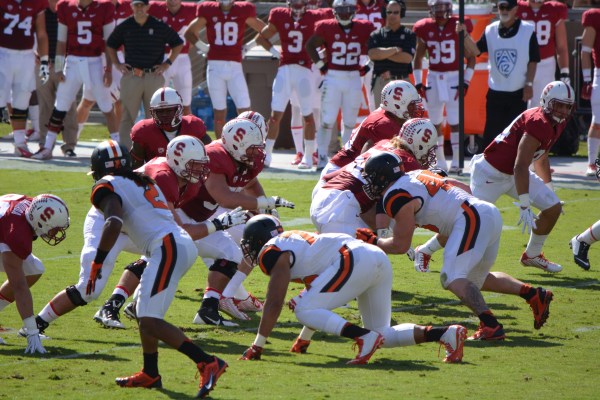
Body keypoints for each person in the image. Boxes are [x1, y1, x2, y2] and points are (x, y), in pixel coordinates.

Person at [79, 140, 228, 397]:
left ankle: (208, 362)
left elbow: (113, 222)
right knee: (144, 316)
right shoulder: (141, 181)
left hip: (167, 247)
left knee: (149, 320)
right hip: (173, 244)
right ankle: (150, 373)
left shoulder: (107, 185)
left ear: (97, 169)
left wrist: (98, 260)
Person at [356, 152, 554, 340]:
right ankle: (534, 294)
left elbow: (400, 245)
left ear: (381, 177)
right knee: (474, 279)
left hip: (471, 217)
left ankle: (491, 325)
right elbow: (463, 189)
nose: (369, 182)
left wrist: (373, 241)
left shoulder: (395, 195)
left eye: (371, 177)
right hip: (485, 212)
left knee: (450, 277)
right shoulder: (416, 175)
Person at [237, 214, 467, 364]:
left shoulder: (271, 252)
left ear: (258, 240)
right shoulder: (295, 244)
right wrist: (304, 337)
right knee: (380, 335)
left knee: (301, 307)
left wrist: (257, 346)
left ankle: (362, 337)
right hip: (372, 257)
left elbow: (274, 301)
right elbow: (316, 293)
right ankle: (446, 333)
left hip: (353, 259)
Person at [177, 118, 295, 326]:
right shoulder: (215, 156)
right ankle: (128, 301)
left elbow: (251, 183)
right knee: (166, 257)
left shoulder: (243, 158)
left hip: (202, 215)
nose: (256, 153)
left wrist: (264, 211)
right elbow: (224, 197)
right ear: (235, 145)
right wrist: (265, 202)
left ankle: (211, 307)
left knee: (233, 251)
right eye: (251, 149)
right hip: (181, 214)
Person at [33, 0, 120, 160]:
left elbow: (110, 42)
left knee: (106, 106)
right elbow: (61, 41)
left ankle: (118, 148)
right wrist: (59, 67)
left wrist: (108, 69)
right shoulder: (66, 6)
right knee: (60, 106)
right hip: (72, 61)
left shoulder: (105, 6)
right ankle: (47, 147)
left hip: (95, 61)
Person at [306, 0, 375, 169]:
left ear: (354, 11)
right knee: (327, 120)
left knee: (350, 121)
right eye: (341, 10)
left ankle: (347, 158)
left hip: (352, 77)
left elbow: (377, 45)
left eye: (348, 10)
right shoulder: (326, 27)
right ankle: (322, 156)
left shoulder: (364, 27)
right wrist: (322, 66)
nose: (344, 14)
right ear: (335, 11)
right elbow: (310, 46)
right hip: (334, 76)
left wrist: (369, 65)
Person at [106, 0, 183, 148]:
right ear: (132, 6)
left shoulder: (158, 25)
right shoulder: (126, 25)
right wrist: (117, 64)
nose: (139, 8)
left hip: (153, 75)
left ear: (147, 7)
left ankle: (154, 150)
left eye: (142, 5)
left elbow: (178, 43)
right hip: (132, 75)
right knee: (127, 116)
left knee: (155, 116)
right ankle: (126, 152)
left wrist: (167, 64)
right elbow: (111, 44)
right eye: (136, 5)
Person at [463, 0, 540, 148]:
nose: (504, 11)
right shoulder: (490, 30)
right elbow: (476, 51)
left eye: (508, 7)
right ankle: (489, 167)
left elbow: (533, 60)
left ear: (515, 9)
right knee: (492, 135)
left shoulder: (528, 30)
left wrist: (529, 84)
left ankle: (514, 168)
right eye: (501, 7)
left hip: (518, 93)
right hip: (496, 92)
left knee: (516, 135)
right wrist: (465, 35)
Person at [184, 0, 266, 139]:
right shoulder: (209, 10)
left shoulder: (242, 9)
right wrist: (204, 47)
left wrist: (249, 46)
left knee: (245, 110)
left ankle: (245, 144)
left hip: (235, 67)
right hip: (215, 67)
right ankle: (221, 148)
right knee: (219, 114)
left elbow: (265, 30)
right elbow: (189, 32)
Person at [256, 0, 322, 169]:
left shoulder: (315, 17)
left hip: (304, 71)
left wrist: (320, 58)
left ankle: (308, 156)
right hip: (284, 70)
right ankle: (267, 155)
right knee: (274, 116)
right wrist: (275, 53)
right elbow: (261, 37)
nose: (298, 5)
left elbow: (329, 36)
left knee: (308, 116)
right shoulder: (279, 15)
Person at [0, 194, 70, 353]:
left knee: (34, 269)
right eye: (54, 229)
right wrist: (32, 332)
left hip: (4, 227)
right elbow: (19, 287)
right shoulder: (17, 234)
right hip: (5, 229)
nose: (56, 233)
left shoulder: (33, 206)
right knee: (20, 280)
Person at [413, 0, 476, 173]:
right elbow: (418, 58)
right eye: (437, 10)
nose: (440, 14)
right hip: (433, 76)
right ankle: (440, 161)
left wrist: (466, 81)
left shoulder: (459, 24)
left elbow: (473, 56)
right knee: (434, 121)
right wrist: (418, 81)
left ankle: (456, 160)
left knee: (455, 120)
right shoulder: (424, 27)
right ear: (430, 10)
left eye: (443, 10)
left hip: (455, 76)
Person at [317, 80, 423, 182]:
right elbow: (366, 159)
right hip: (341, 173)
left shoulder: (388, 115)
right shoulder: (385, 125)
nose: (416, 108)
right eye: (412, 104)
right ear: (397, 105)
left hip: (350, 169)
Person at [0, 0, 49, 158]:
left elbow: (41, 33)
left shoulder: (36, 3)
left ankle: (20, 142)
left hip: (26, 55)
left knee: (22, 100)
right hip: (3, 53)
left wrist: (44, 60)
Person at [36, 0, 78, 158]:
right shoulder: (39, 10)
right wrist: (37, 55)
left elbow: (73, 37)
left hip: (66, 64)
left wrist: (63, 62)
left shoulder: (68, 9)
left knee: (69, 105)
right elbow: (33, 34)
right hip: (43, 64)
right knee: (45, 106)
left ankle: (69, 145)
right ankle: (44, 144)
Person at [129, 87, 211, 168]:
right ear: (153, 112)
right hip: (157, 178)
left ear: (179, 110)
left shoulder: (193, 126)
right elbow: (134, 169)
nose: (164, 114)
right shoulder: (143, 131)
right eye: (160, 111)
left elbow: (210, 156)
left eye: (169, 110)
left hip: (190, 178)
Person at [518, 0, 570, 107]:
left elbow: (561, 46)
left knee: (541, 107)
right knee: (517, 106)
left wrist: (565, 72)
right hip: (521, 63)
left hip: (545, 65)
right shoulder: (517, 8)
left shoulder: (554, 9)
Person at [148, 0, 196, 116]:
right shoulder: (154, 7)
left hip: (183, 59)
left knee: (185, 104)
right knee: (157, 102)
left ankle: (186, 132)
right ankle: (157, 132)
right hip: (161, 58)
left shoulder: (192, 9)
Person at [367, 0, 416, 108]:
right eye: (389, 12)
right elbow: (373, 55)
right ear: (385, 13)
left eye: (396, 12)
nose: (392, 15)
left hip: (402, 81)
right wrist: (395, 49)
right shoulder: (376, 34)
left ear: (401, 13)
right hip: (381, 81)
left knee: (402, 119)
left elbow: (407, 58)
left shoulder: (409, 34)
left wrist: (383, 53)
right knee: (381, 119)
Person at [580, 7, 600, 176]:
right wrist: (586, 79)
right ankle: (592, 163)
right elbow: (585, 51)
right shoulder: (595, 16)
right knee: (598, 120)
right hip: (599, 73)